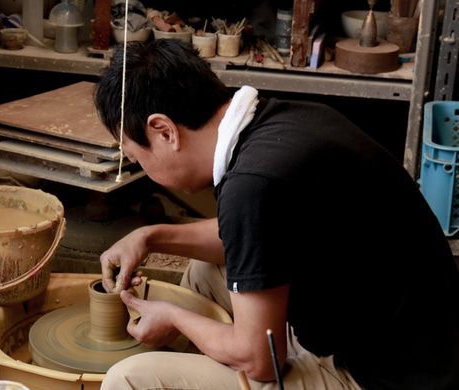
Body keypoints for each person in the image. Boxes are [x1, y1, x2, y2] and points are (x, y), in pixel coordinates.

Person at [93, 39, 459, 390]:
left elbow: (261, 360)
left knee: (128, 379)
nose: (141, 166)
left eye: (138, 157)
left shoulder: (251, 185)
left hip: (381, 378)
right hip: (424, 343)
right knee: (205, 272)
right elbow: (251, 235)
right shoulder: (282, 122)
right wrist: (149, 236)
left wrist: (174, 318)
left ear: (163, 131)